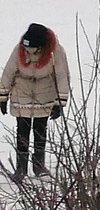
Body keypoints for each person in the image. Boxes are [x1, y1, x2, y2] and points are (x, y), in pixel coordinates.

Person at [1, 24, 70, 181]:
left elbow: (62, 75)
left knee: (40, 132)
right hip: (22, 95)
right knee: (22, 133)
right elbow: (8, 72)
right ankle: (21, 168)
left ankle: (39, 166)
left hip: (44, 96)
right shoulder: (18, 50)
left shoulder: (56, 52)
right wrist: (3, 96)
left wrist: (60, 102)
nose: (29, 53)